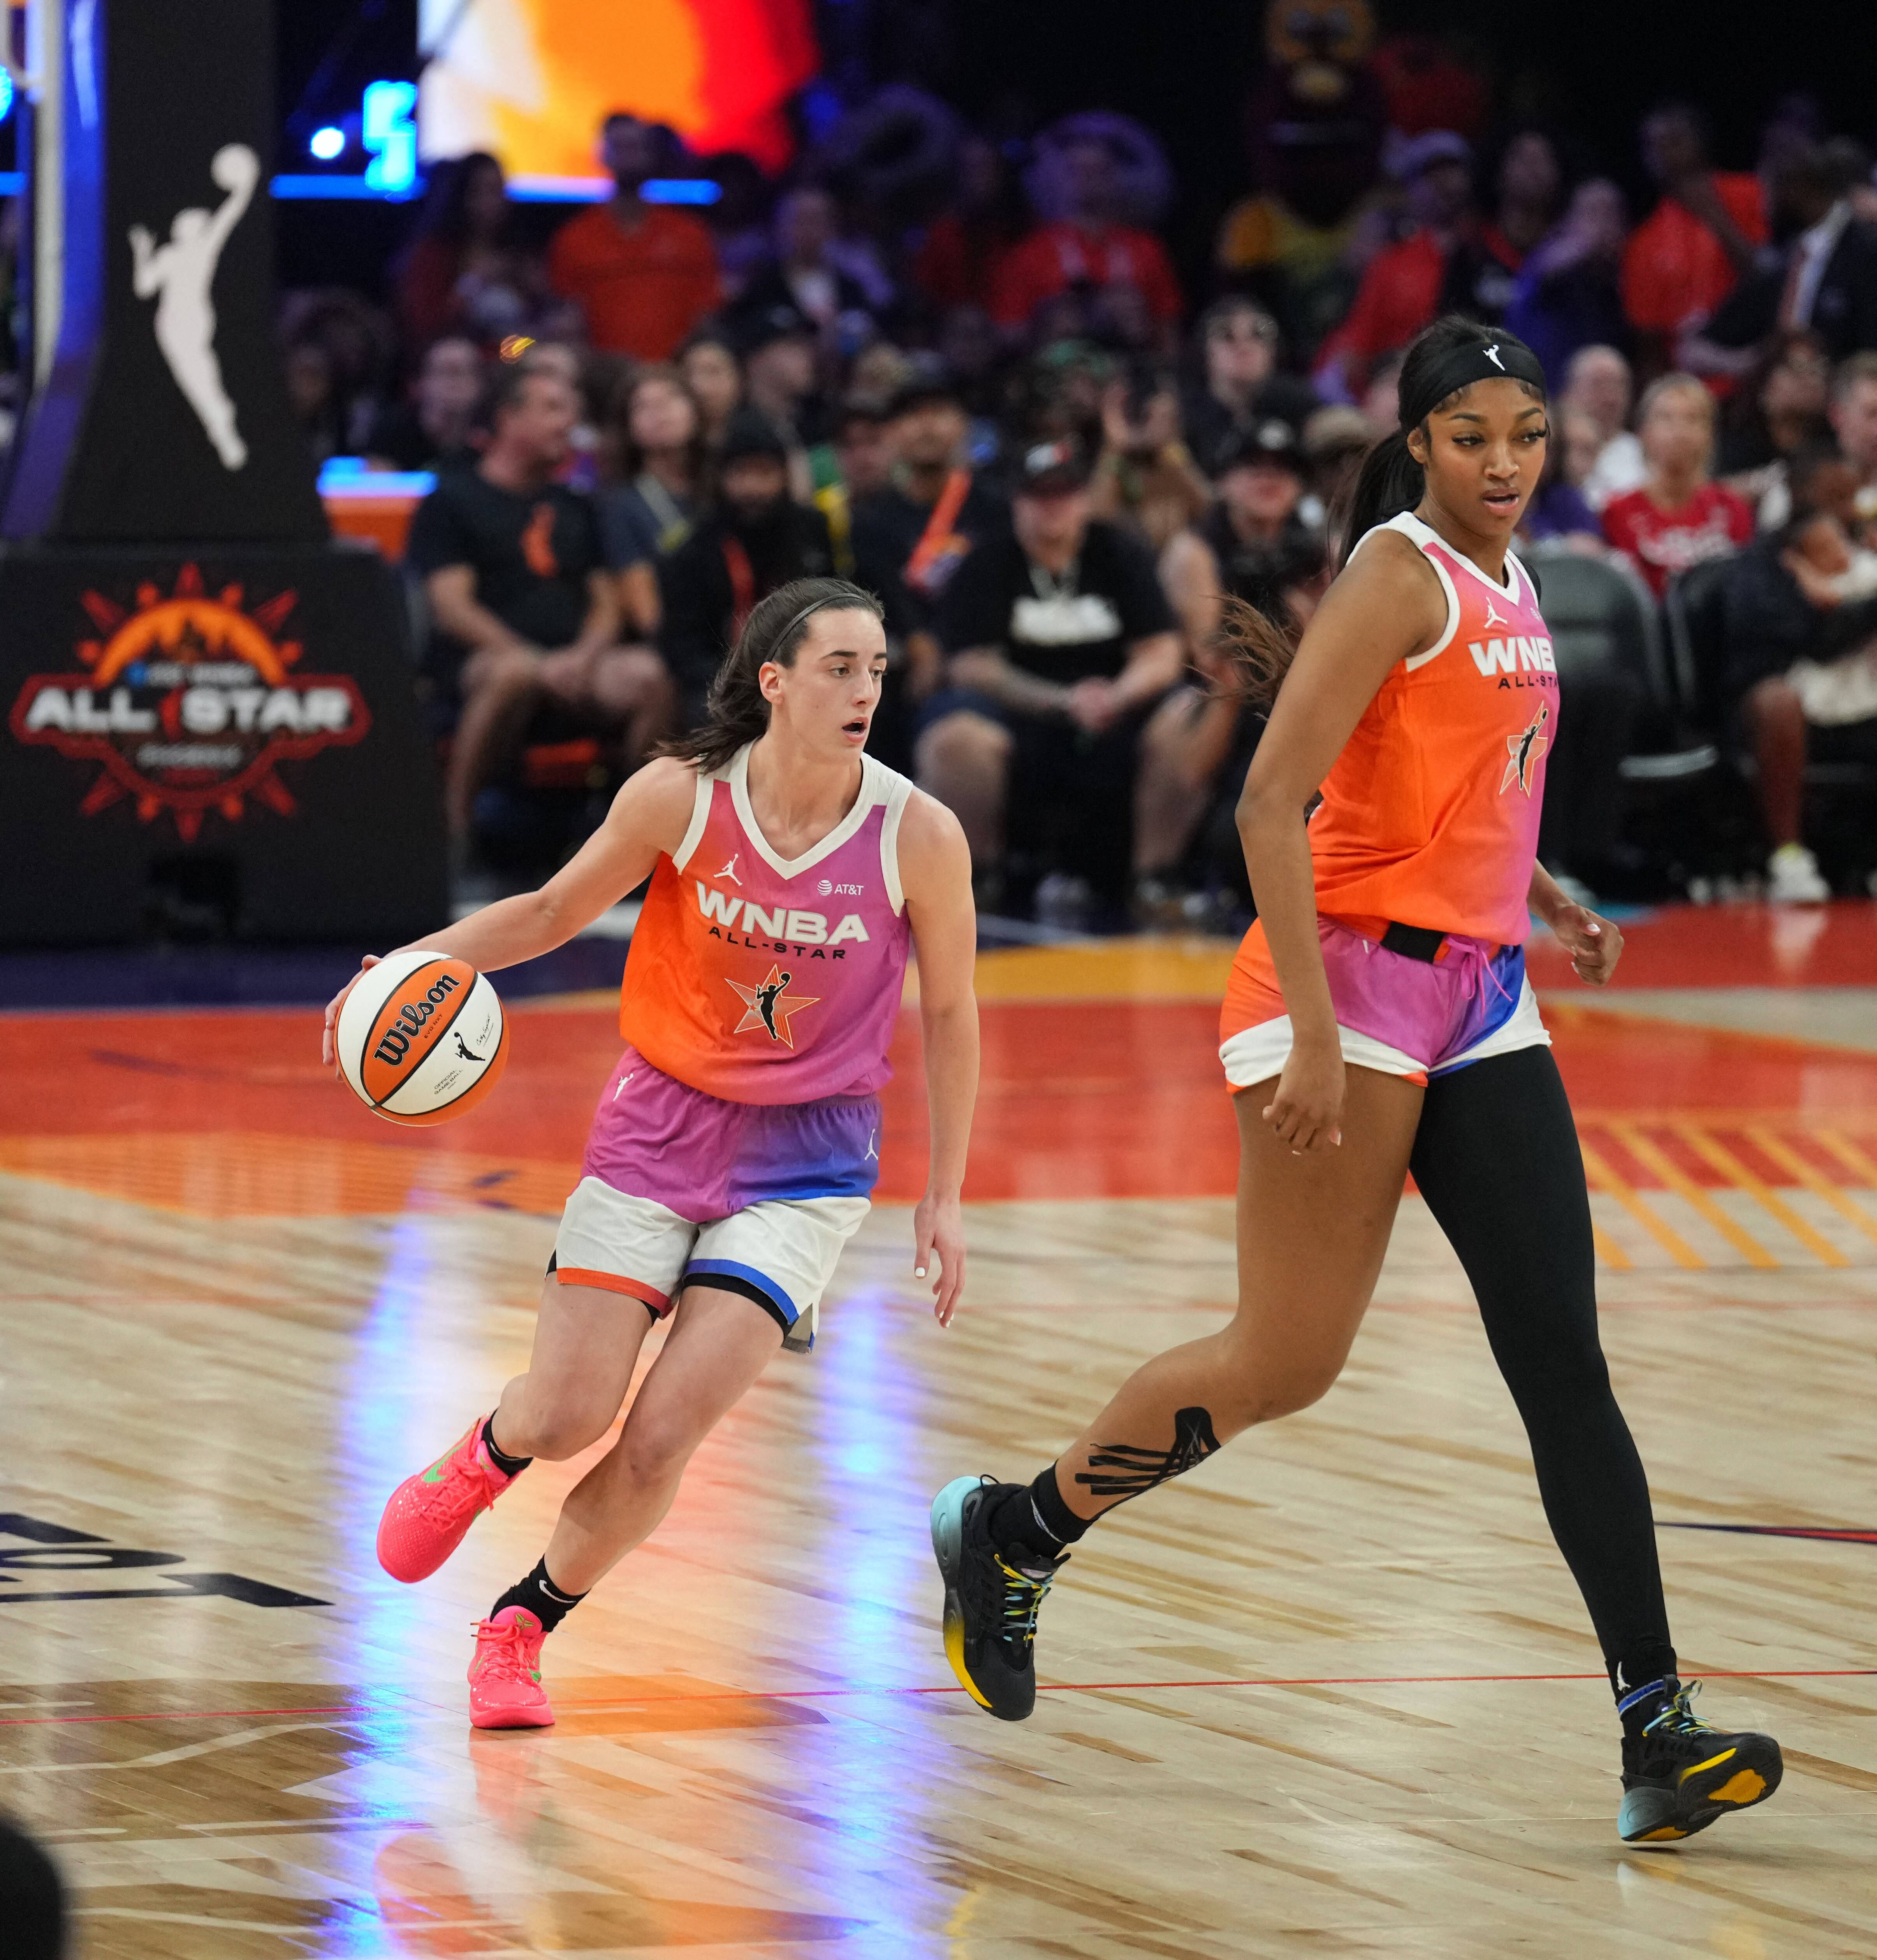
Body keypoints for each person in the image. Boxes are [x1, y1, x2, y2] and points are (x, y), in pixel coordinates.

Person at [928, 315, 1785, 1849]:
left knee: (1561, 1365)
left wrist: (1544, 887)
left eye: (1524, 432)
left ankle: (1652, 1721)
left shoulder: (1512, 573)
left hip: (1477, 994)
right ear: (1414, 445)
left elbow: (1466, 778)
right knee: (1282, 1360)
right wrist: (1317, 1035)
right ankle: (1011, 1528)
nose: (1505, 461)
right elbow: (1269, 802)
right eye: (1471, 435)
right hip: (1331, 984)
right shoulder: (1396, 568)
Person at [336, 579, 980, 1729]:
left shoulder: (915, 832)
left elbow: (950, 1013)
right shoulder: (680, 797)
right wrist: (399, 970)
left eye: (877, 669)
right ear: (773, 679)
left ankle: (519, 1628)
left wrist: (946, 1196)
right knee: (567, 1413)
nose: (865, 689)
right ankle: (489, 1452)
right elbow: (541, 914)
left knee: (661, 1438)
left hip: (809, 1161)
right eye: (839, 666)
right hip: (658, 1123)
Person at [405, 364, 674, 839]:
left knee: (649, 676)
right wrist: (530, 657)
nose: (568, 424)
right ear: (510, 419)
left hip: (575, 665)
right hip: (484, 664)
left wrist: (582, 656)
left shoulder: (576, 503)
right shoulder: (452, 499)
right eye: (553, 409)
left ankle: (630, 840)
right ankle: (453, 834)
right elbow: (453, 608)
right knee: (516, 673)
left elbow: (606, 600)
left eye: (572, 411)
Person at [918, 435, 1181, 911]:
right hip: (1017, 712)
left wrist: (1116, 697)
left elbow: (1162, 651)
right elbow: (970, 664)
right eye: (1038, 495)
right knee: (954, 735)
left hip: (1114, 712)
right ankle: (977, 878)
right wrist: (1060, 701)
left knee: (1194, 712)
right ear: (1017, 501)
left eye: (1063, 494)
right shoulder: (988, 560)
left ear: (1084, 498)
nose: (1052, 507)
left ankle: (1155, 875)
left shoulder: (1119, 551)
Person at [1709, 446, 1877, 902]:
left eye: (1852, 495)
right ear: (1802, 496)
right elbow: (1814, 641)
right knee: (1778, 701)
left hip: (1857, 705)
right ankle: (1788, 855)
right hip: (1776, 714)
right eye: (1837, 496)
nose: (1851, 507)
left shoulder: (1864, 555)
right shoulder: (1760, 564)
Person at [658, 410, 837, 729]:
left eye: (764, 472)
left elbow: (835, 611)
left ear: (784, 476)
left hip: (805, 676)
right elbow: (682, 642)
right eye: (741, 473)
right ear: (722, 478)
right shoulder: (696, 548)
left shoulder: (811, 531)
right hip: (721, 681)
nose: (753, 487)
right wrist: (736, 683)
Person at [1313, 132, 1513, 402]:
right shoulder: (1391, 263)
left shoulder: (1497, 251)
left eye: (1454, 171)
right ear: (1411, 189)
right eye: (1430, 175)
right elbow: (1359, 345)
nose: (1444, 184)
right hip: (1407, 391)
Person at [548, 114, 722, 360]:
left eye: (636, 147)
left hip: (676, 376)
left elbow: (708, 316)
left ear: (652, 154)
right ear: (602, 155)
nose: (629, 156)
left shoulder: (690, 233)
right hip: (604, 380)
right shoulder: (575, 238)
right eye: (620, 147)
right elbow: (568, 320)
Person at [989, 128, 1183, 347]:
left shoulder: (1147, 250)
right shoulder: (1031, 252)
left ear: (1117, 178)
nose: (1089, 180)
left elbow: (1170, 333)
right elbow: (1008, 334)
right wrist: (1053, 320)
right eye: (1078, 171)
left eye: (1100, 171)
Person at [1620, 104, 1765, 377]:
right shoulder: (1643, 241)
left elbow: (1769, 278)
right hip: (1689, 383)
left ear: (1699, 141)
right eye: (1654, 146)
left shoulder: (1749, 194)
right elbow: (1650, 342)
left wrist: (1715, 216)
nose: (1665, 153)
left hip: (1755, 365)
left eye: (1674, 140)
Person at [1601, 374, 1754, 596]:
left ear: (1710, 434)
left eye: (1693, 419)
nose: (1680, 431)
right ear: (1643, 432)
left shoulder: (1732, 508)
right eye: (1666, 418)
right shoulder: (1616, 513)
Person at [393, 152, 544, 351]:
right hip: (452, 362)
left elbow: (538, 333)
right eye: (481, 192)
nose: (493, 202)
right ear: (461, 196)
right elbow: (425, 326)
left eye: (498, 191)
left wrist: (531, 288)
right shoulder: (433, 254)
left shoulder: (520, 256)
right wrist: (473, 282)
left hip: (513, 361)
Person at [1503, 179, 1632, 388]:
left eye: (1610, 214)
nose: (1602, 225)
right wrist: (1583, 244)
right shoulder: (1549, 265)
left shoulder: (1625, 273)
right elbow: (1534, 281)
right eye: (1592, 214)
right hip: (1549, 390)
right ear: (1569, 221)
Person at [1182, 297, 1319, 477]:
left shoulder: (1304, 410)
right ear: (1205, 351)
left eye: (1259, 334)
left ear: (1274, 352)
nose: (1243, 347)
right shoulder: (1182, 418)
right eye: (1226, 335)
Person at [1086, 365, 1212, 554]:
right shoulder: (1103, 455)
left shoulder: (1176, 457)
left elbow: (1210, 510)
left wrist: (1170, 444)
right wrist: (1114, 448)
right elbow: (1094, 520)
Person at [1715, 329, 1831, 509]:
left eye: (1818, 368)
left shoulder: (1832, 449)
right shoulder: (1731, 449)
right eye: (1798, 368)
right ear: (1765, 382)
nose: (1811, 379)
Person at [364, 334, 485, 475]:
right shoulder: (392, 431)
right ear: (418, 384)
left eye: (465, 372)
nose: (455, 384)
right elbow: (379, 492)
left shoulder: (491, 437)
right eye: (445, 372)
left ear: (481, 384)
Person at [1560, 344, 1647, 510]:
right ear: (1568, 392)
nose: (1610, 398)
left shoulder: (1644, 452)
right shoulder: (1551, 453)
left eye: (1619, 385)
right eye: (1598, 385)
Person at [678, 331, 744, 447]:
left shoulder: (759, 439)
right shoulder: (675, 445)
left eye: (713, 371)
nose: (699, 386)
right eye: (689, 374)